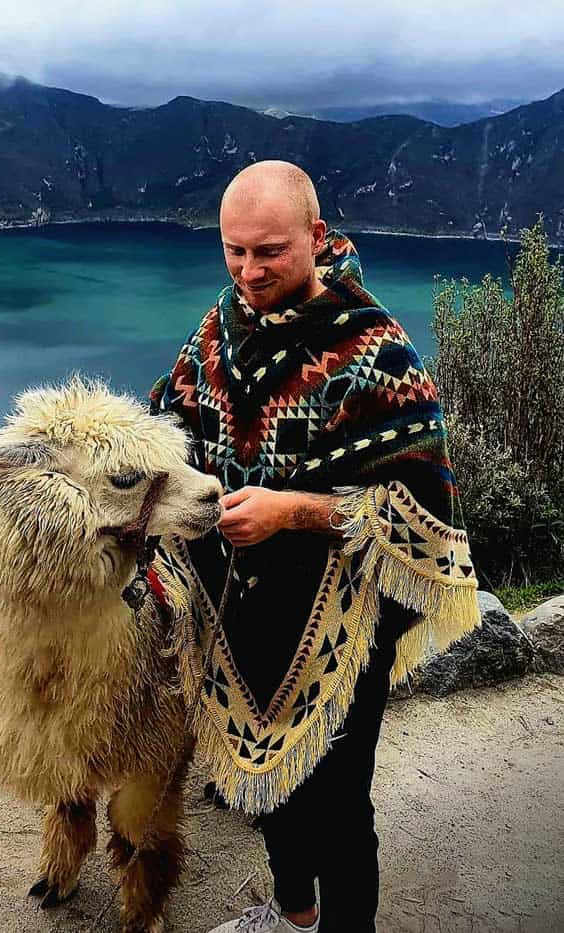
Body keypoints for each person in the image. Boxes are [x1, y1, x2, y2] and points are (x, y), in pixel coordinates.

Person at [149, 161, 480, 932]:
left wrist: (288, 510)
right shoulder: (220, 326)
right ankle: (291, 914)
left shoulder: (376, 352)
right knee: (266, 780)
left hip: (338, 619)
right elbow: (170, 421)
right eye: (234, 251)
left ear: (317, 237)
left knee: (336, 798)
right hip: (238, 613)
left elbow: (417, 506)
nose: (249, 270)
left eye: (269, 251)